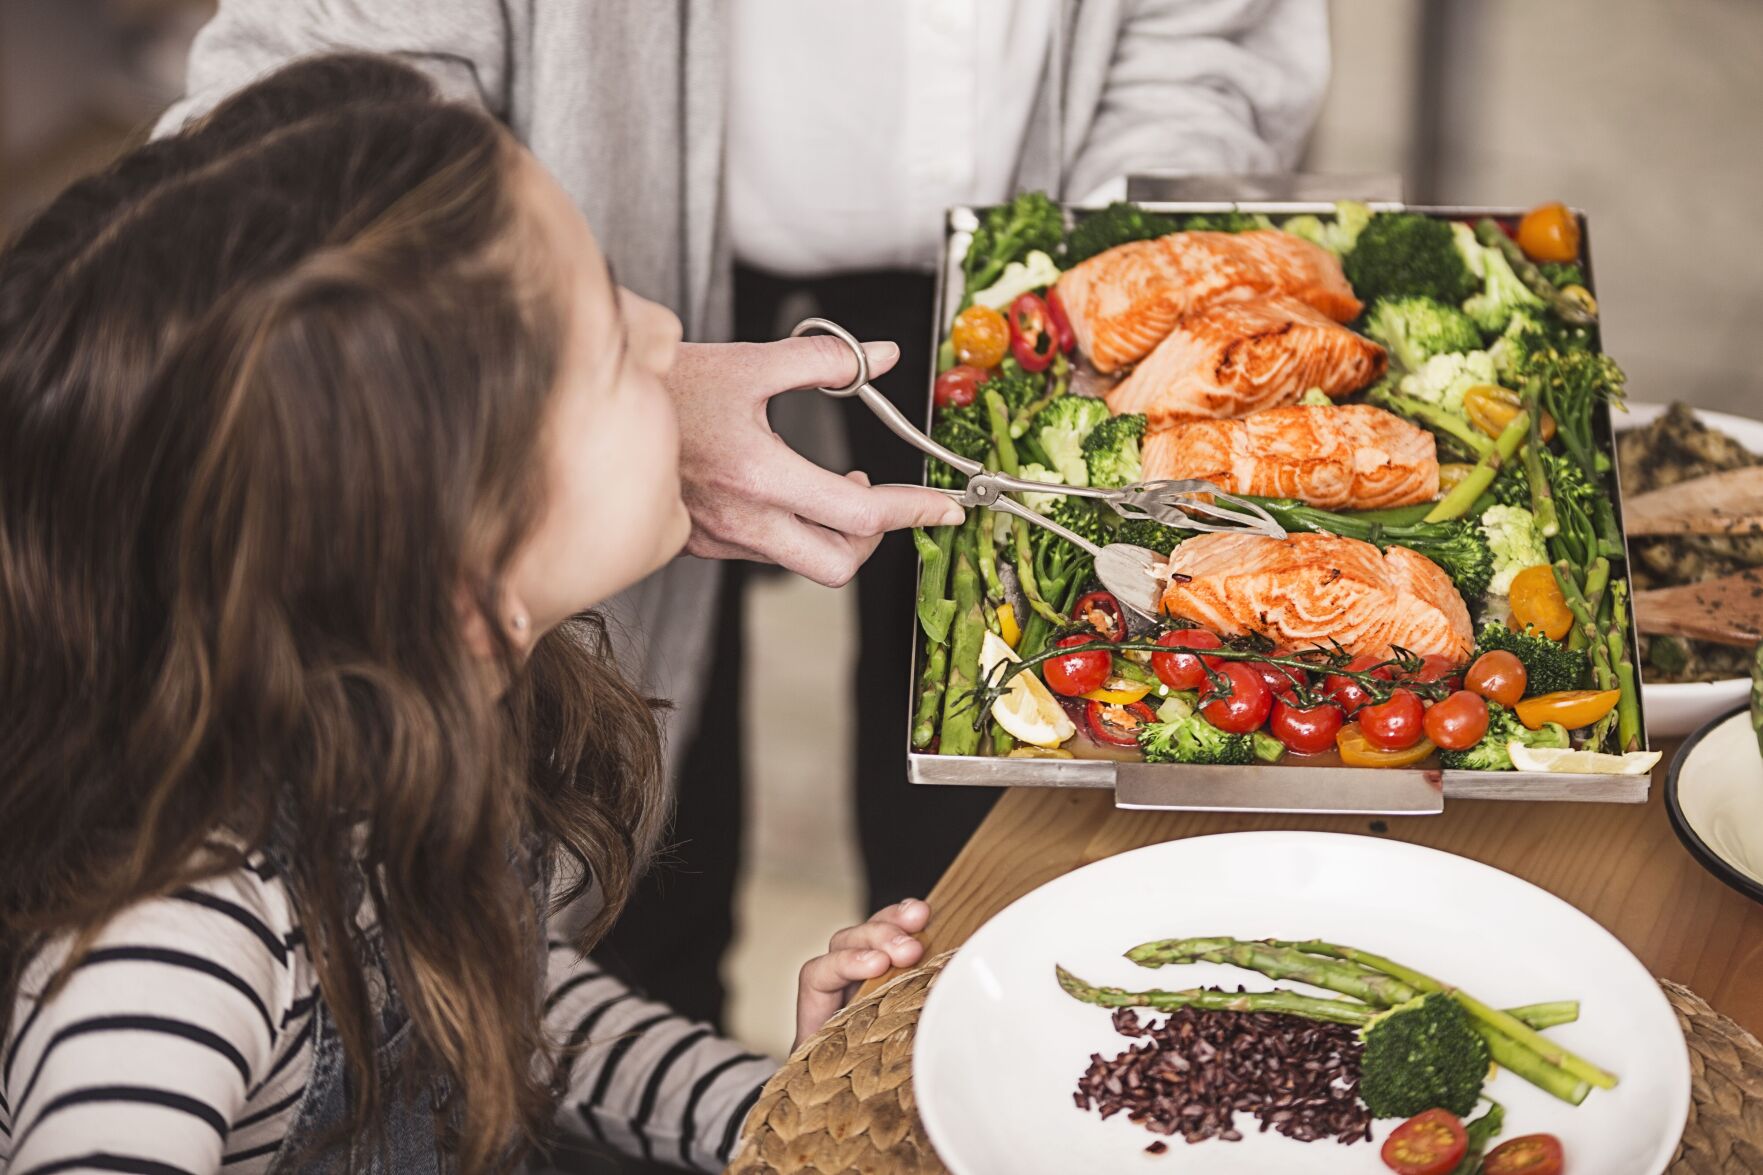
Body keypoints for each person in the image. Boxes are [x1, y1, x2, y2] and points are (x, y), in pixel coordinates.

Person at [159, 0, 1331, 1029]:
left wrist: (769, 1096)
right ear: (480, 610)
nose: (662, 340)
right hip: (538, 318)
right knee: (625, 841)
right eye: (629, 342)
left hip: (1007, 276)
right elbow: (291, 146)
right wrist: (577, 381)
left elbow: (564, 1013)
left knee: (980, 819)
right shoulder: (221, 935)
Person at [0, 55, 934, 1174]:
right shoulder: (173, 954)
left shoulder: (416, 708)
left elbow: (494, 998)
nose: (662, 328)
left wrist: (775, 1102)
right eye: (600, 344)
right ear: (460, 570)